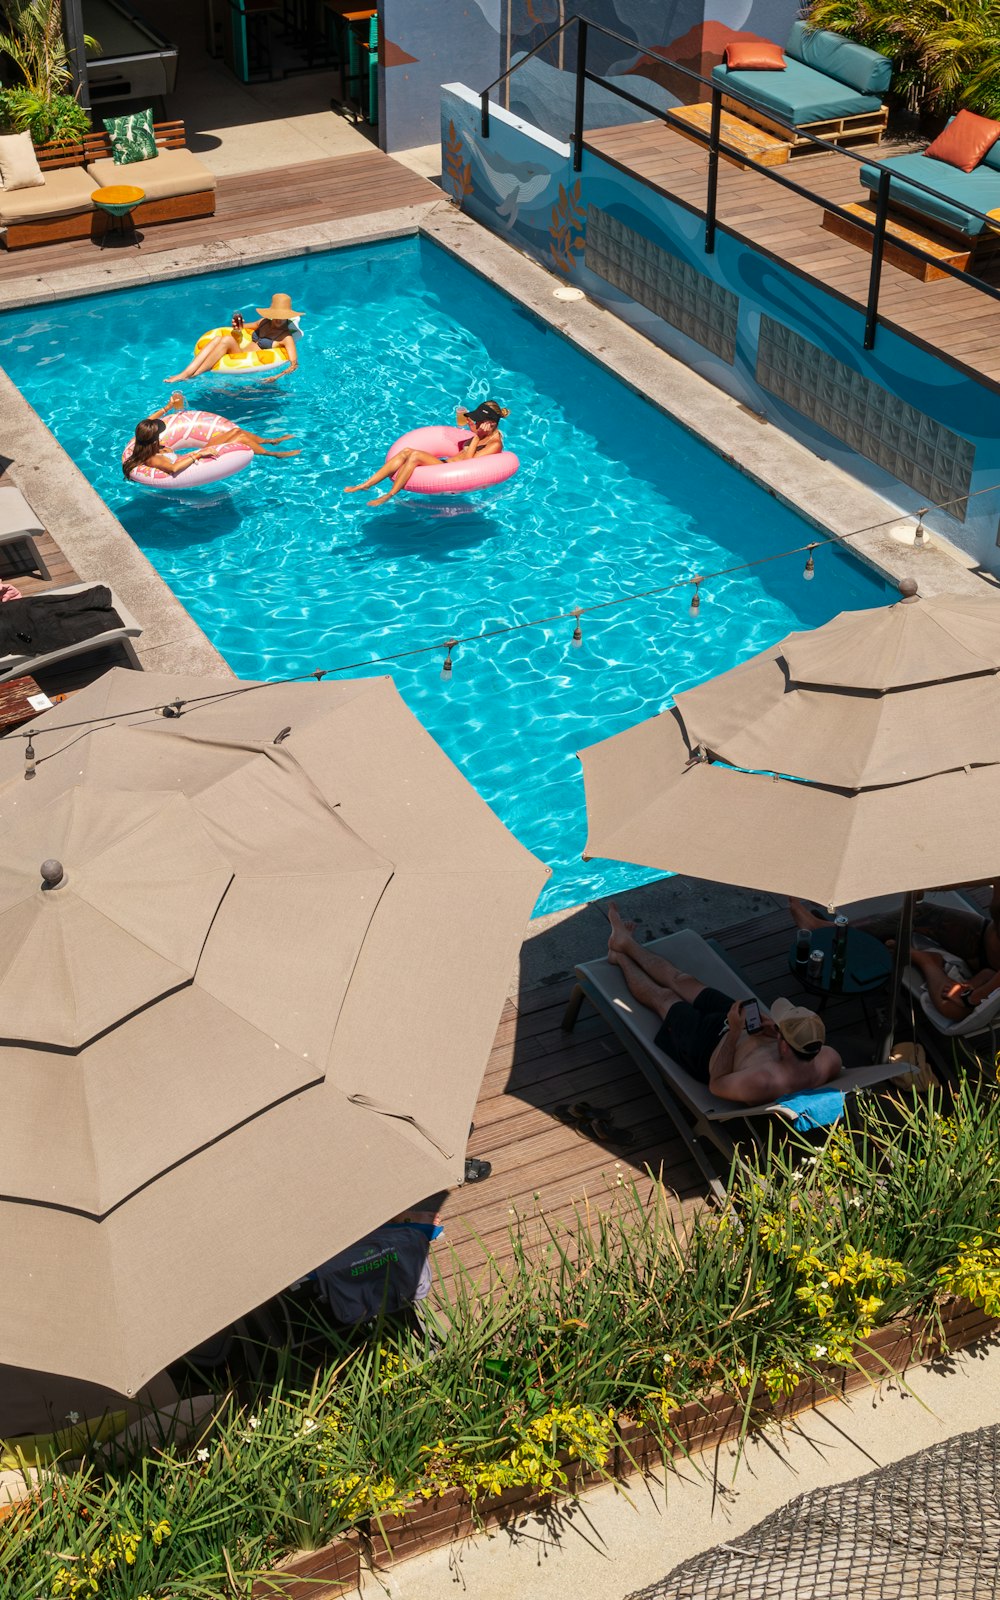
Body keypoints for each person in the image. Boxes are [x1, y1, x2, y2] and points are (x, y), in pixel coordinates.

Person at [606, 905, 842, 1104]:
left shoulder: (763, 1081)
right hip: (739, 1028)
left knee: (666, 998)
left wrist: (734, 1033)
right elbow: (800, 1048)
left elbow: (716, 1085)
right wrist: (770, 1026)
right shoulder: (829, 1059)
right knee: (683, 981)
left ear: (784, 1046)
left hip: (705, 1048)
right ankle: (625, 943)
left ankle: (620, 958)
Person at [789, 890, 1000, 1023]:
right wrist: (924, 884)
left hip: (994, 982)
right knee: (921, 913)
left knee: (953, 1008)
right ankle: (830, 929)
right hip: (983, 942)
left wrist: (974, 996)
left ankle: (926, 960)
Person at [344, 399, 510, 507]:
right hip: (445, 464)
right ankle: (365, 485)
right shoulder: (482, 433)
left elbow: (467, 461)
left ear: (490, 423)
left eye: (479, 420)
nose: (476, 422)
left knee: (413, 455)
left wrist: (477, 436)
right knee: (406, 452)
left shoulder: (494, 444)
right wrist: (473, 429)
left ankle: (389, 495)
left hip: (451, 470)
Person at [123, 392, 301, 481]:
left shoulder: (142, 438)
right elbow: (174, 468)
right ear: (153, 439)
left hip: (189, 456)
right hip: (193, 463)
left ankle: (270, 441)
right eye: (158, 433)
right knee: (240, 439)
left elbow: (147, 420)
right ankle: (273, 454)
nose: (162, 433)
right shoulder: (154, 458)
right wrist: (197, 454)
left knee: (236, 432)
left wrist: (168, 406)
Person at [165, 292, 304, 384]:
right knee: (218, 339)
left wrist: (276, 377)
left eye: (282, 316)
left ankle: (191, 374)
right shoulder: (264, 322)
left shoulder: (286, 337)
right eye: (276, 315)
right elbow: (243, 327)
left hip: (245, 358)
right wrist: (237, 324)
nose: (279, 319)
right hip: (239, 351)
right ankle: (186, 372)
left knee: (226, 340)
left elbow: (294, 364)